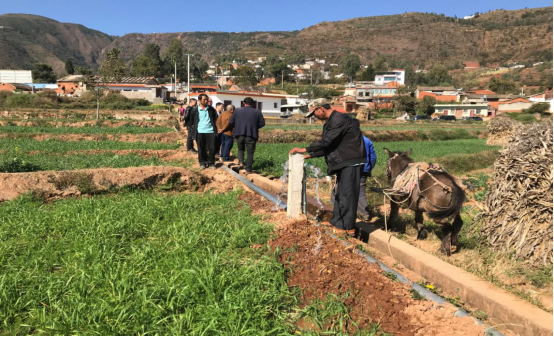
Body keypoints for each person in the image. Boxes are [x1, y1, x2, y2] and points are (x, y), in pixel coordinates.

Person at [290, 99, 366, 235]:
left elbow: (327, 141)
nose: (314, 116)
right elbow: (329, 146)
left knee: (348, 194)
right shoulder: (330, 122)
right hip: (343, 161)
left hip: (351, 160)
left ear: (321, 109)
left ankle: (347, 228)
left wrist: (305, 149)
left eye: (314, 113)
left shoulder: (339, 119)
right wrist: (310, 155)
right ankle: (336, 221)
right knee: (340, 194)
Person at [330, 119, 377, 222]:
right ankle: (364, 213)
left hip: (347, 169)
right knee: (360, 191)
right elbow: (373, 157)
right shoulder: (367, 140)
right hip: (363, 170)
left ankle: (334, 209)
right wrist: (368, 168)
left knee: (338, 189)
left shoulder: (344, 140)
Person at [226, 97, 265, 173]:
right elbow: (262, 123)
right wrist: (254, 127)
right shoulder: (257, 112)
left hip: (239, 133)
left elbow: (231, 122)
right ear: (252, 103)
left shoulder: (237, 111)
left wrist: (237, 125)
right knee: (250, 152)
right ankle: (248, 169)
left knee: (241, 149)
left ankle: (241, 162)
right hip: (251, 134)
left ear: (244, 103)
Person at [185, 94, 218, 169]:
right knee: (201, 148)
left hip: (210, 131)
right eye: (204, 100)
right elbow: (191, 121)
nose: (206, 101)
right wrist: (192, 130)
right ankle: (202, 162)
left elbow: (215, 118)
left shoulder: (211, 109)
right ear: (199, 100)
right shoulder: (195, 110)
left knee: (212, 148)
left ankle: (211, 163)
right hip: (200, 131)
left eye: (207, 100)